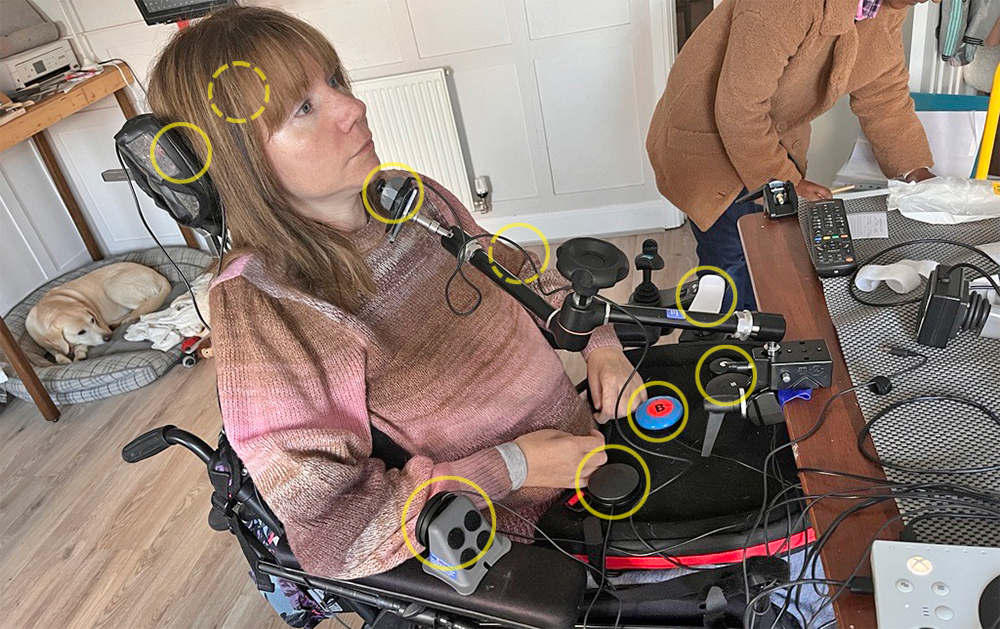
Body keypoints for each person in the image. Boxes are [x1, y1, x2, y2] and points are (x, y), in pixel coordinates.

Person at [146, 6, 645, 581]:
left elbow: (514, 270)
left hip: (590, 452)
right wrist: (514, 465)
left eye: (333, 81)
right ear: (238, 158)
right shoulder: (268, 305)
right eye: (304, 107)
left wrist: (600, 344)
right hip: (519, 543)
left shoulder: (411, 199)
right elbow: (334, 530)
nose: (353, 107)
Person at [647, 0, 938, 310]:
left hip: (765, 139)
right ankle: (726, 347)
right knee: (732, 268)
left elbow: (883, 94)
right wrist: (785, 181)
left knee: (770, 259)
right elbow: (739, 108)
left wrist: (914, 170)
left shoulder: (885, 8)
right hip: (710, 147)